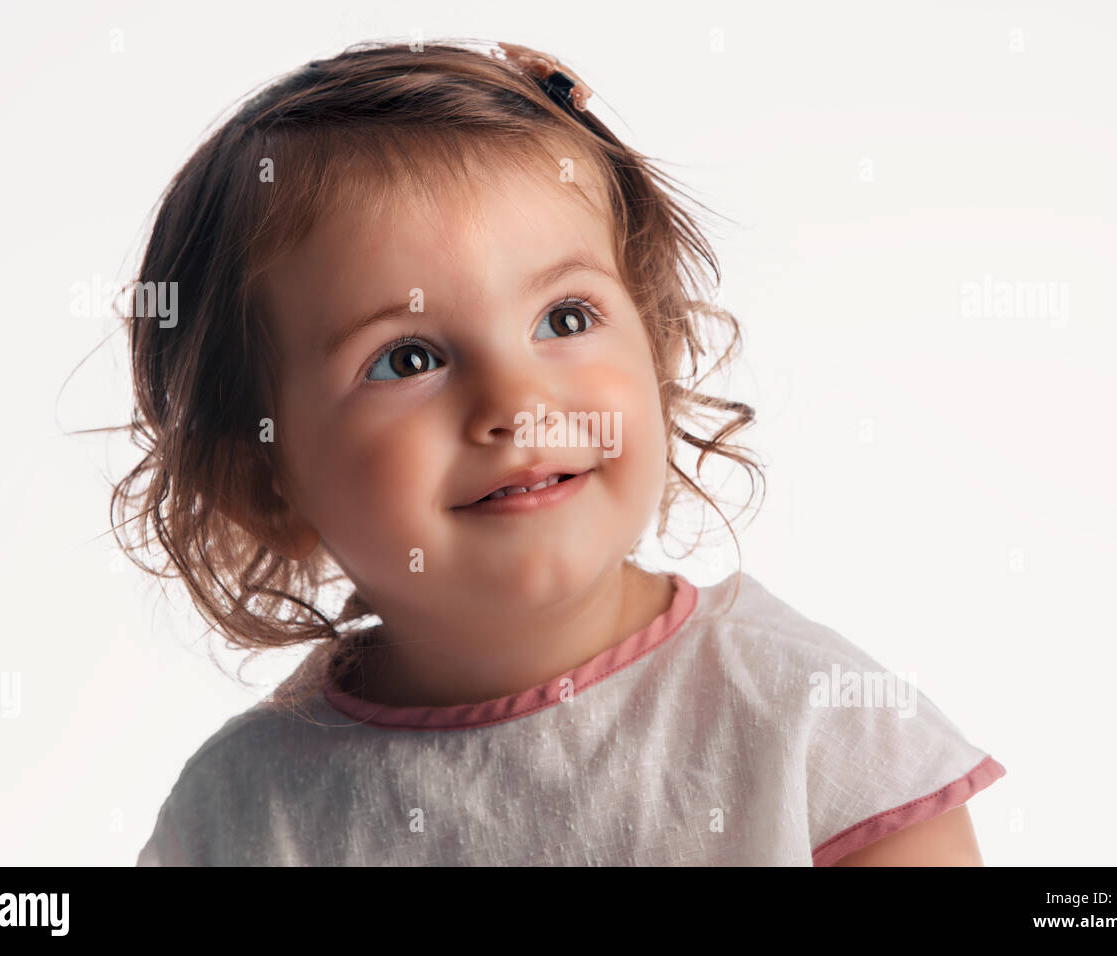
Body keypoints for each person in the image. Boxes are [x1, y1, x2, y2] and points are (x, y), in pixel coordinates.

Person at [122, 38, 1005, 866]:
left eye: (565, 318)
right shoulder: (242, 814)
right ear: (262, 485)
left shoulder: (814, 726)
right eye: (407, 358)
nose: (517, 402)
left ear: (655, 351)